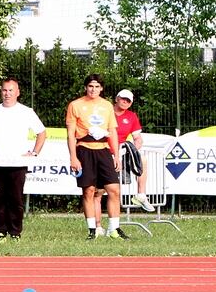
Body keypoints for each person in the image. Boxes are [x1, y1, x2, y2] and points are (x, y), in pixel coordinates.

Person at [0, 78, 47, 240]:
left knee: (16, 199)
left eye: (11, 90)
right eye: (4, 90)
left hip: (17, 163)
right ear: (1, 92)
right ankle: (0, 229)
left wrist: (34, 153)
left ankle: (15, 231)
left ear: (17, 92)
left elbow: (41, 133)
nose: (7, 94)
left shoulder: (26, 112)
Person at [66, 73, 124, 240]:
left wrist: (116, 155)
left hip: (103, 149)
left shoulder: (107, 106)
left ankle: (114, 229)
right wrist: (73, 157)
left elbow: (112, 131)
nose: (93, 89)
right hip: (84, 148)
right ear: (86, 87)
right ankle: (92, 230)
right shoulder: (75, 105)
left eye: (97, 86)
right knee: (89, 190)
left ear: (101, 88)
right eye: (91, 86)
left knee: (114, 189)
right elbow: (70, 134)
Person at [113, 87, 154, 210]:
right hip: (105, 150)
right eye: (123, 99)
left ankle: (141, 195)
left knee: (142, 159)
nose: (125, 102)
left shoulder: (131, 116)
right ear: (117, 99)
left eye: (128, 100)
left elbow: (138, 138)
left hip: (123, 150)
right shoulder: (106, 111)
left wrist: (133, 151)